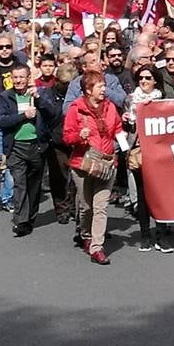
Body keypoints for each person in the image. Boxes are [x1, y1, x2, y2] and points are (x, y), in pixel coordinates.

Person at [63, 71, 123, 264]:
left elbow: (118, 129)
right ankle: (86, 235)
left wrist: (125, 147)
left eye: (104, 85)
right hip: (83, 163)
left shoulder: (110, 107)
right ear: (88, 90)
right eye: (99, 86)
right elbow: (67, 137)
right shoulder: (76, 109)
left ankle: (97, 247)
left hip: (106, 163)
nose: (104, 89)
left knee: (100, 207)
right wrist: (79, 135)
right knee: (87, 207)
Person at [0, 65, 61, 237]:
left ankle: (30, 217)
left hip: (36, 146)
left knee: (34, 185)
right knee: (19, 184)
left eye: (21, 77)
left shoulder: (40, 93)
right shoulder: (6, 96)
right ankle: (21, 221)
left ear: (28, 77)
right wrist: (24, 116)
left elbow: (53, 114)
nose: (18, 81)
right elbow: (1, 121)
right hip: (16, 146)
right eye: (15, 77)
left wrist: (38, 100)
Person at [125, 64, 174, 253]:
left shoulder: (163, 102)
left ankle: (161, 236)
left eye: (148, 78)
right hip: (139, 152)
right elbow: (126, 129)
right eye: (141, 78)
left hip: (159, 153)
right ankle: (145, 235)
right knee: (143, 196)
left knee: (160, 195)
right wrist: (127, 122)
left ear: (155, 80)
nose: (144, 81)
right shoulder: (131, 100)